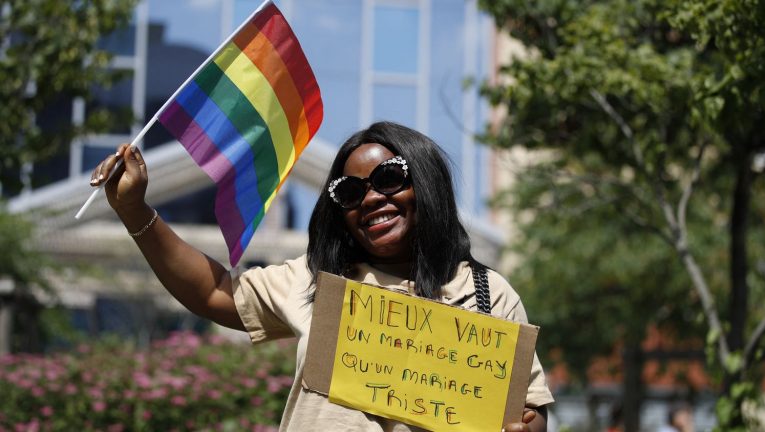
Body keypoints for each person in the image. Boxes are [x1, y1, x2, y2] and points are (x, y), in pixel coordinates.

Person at [89, 121, 554, 431]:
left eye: (390, 179)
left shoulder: (487, 293)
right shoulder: (316, 281)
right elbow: (213, 292)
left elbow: (529, 413)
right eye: (350, 192)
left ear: (426, 183)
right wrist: (135, 211)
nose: (371, 199)